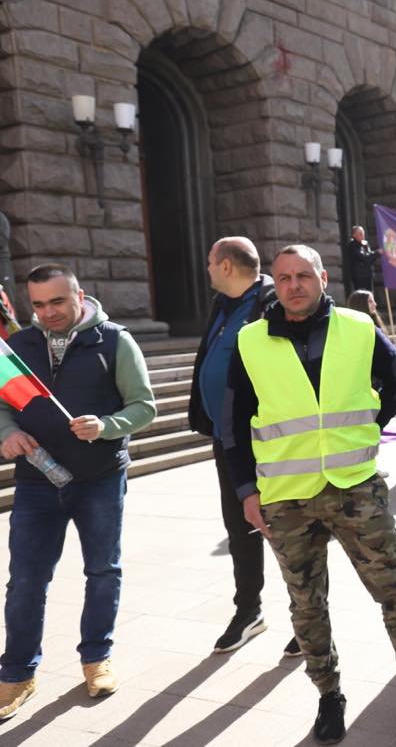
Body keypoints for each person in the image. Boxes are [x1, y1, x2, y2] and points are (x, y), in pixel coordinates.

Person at [225, 244, 396, 743]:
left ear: (323, 277)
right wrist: (247, 490)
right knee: (307, 605)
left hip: (356, 488)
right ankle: (328, 696)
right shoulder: (250, 341)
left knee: (394, 590)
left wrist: (370, 423)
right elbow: (234, 422)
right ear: (275, 283)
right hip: (286, 497)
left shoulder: (357, 327)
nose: (293, 285)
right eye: (284, 277)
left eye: (303, 275)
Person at [0, 264, 156, 719]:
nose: (48, 312)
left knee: (102, 572)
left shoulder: (114, 340)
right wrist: (7, 432)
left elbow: (143, 405)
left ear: (79, 296)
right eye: (39, 304)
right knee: (26, 581)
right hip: (36, 482)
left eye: (58, 302)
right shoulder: (18, 345)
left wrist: (107, 426)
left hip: (100, 478)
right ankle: (17, 674)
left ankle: (96, 659)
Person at [188, 237, 293, 656]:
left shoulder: (272, 302)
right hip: (227, 441)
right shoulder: (223, 305)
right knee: (239, 529)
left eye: (211, 263)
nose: (208, 270)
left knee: (287, 530)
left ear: (227, 265)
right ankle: (249, 611)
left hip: (268, 442)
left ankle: (308, 617)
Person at [346, 225, 380, 292]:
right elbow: (364, 257)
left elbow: (370, 258)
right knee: (361, 296)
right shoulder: (353, 245)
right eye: (360, 233)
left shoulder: (365, 244)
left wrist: (376, 254)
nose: (362, 235)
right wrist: (377, 253)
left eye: (363, 233)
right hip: (360, 277)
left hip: (368, 275)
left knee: (369, 295)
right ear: (354, 235)